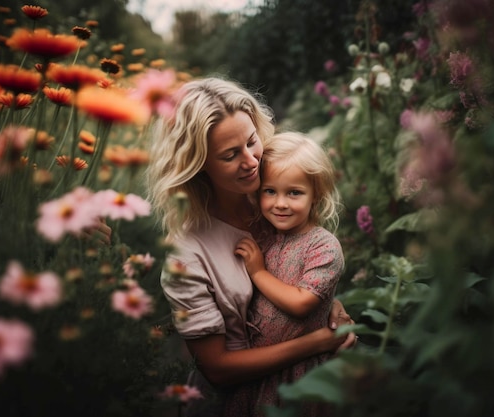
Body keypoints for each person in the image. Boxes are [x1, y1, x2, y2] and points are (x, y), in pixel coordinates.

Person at [146, 77, 355, 416]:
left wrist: (327, 306)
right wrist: (315, 342)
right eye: (230, 155)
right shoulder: (188, 254)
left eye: (252, 141)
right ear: (197, 166)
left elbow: (300, 268)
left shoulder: (273, 198)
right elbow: (218, 370)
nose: (251, 160)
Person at [231, 131, 345, 416]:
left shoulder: (323, 246)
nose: (280, 203)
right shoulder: (263, 235)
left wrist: (258, 272)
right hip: (257, 368)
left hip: (300, 374)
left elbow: (301, 303)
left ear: (316, 194)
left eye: (294, 192)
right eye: (270, 191)